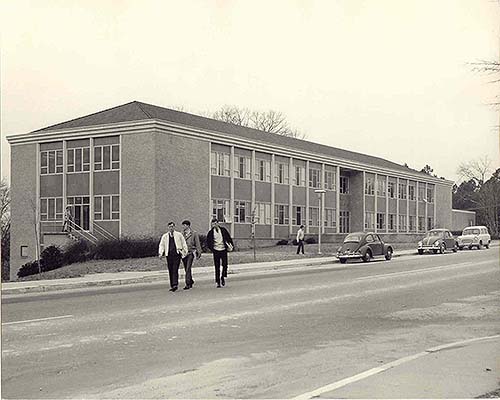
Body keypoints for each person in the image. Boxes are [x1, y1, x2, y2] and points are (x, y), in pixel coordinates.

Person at [158, 222, 188, 292]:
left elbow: (183, 243)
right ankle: (172, 284)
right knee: (170, 269)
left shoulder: (179, 235)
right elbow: (162, 245)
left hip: (177, 254)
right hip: (169, 255)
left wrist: (185, 251)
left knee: (175, 269)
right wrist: (160, 253)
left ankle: (175, 284)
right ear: (168, 227)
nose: (171, 228)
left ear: (174, 227)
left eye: (172, 226)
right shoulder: (165, 236)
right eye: (170, 227)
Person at [206, 218, 234, 288]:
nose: (214, 225)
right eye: (213, 224)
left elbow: (228, 238)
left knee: (225, 264)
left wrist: (231, 245)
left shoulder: (223, 230)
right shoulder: (210, 233)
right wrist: (212, 249)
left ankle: (223, 276)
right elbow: (208, 242)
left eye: (215, 223)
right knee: (217, 266)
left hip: (223, 249)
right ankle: (218, 281)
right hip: (216, 250)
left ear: (218, 223)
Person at [181, 220, 202, 290]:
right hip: (184, 254)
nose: (183, 227)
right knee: (186, 269)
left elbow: (197, 243)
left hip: (190, 253)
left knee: (188, 268)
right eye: (183, 225)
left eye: (184, 225)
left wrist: (199, 252)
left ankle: (187, 284)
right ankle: (191, 280)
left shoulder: (194, 233)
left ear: (188, 226)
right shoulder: (182, 234)